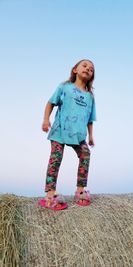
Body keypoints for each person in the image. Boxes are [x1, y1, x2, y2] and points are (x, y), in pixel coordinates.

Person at [39, 59, 96, 210]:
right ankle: (50, 194)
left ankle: (80, 190)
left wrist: (90, 136)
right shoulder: (65, 87)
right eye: (85, 66)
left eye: (91, 69)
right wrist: (46, 120)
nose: (88, 69)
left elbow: (90, 119)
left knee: (85, 154)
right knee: (56, 158)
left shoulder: (90, 97)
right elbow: (51, 102)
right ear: (75, 70)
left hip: (78, 135)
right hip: (60, 130)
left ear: (92, 76)